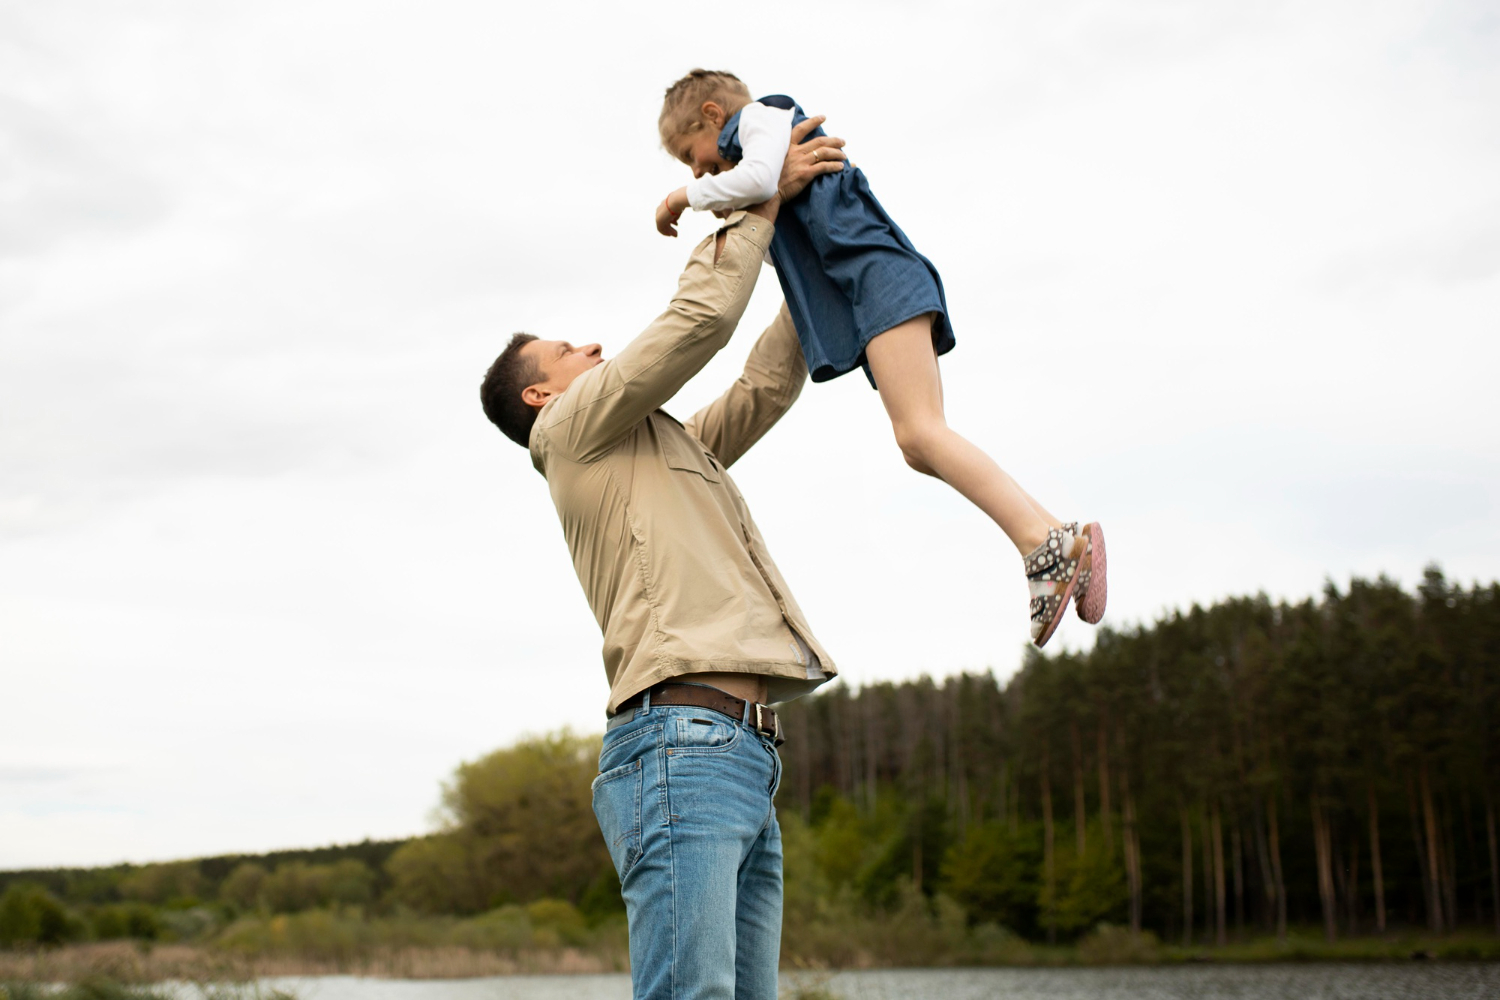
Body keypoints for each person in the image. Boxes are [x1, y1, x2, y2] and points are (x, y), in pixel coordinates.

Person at [478, 117, 847, 1000]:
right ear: (542, 394)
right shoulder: (570, 435)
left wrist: (812, 248)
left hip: (740, 757)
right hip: (680, 749)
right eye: (573, 352)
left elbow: (762, 386)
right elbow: (699, 319)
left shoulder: (661, 447)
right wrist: (759, 197)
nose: (595, 349)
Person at [654, 69, 1107, 647]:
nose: (696, 173)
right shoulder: (756, 154)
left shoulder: (761, 121)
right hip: (874, 284)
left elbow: (763, 175)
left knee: (920, 434)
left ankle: (1043, 551)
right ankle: (1058, 538)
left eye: (691, 156)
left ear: (715, 116)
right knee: (920, 446)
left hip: (878, 277)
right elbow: (774, 219)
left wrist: (682, 199)